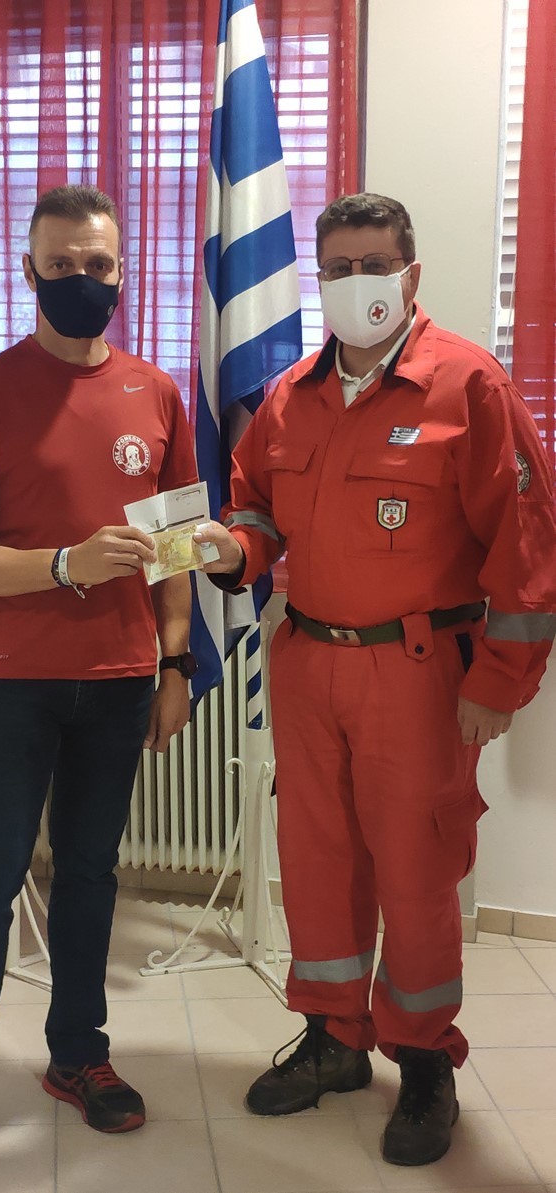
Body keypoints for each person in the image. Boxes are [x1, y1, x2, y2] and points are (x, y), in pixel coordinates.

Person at [195, 193, 556, 1167]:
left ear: (409, 273)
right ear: (317, 281)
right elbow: (256, 509)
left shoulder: (468, 386)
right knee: (317, 860)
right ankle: (333, 1037)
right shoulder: (289, 395)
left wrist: (498, 682)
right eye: (337, 267)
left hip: (418, 672)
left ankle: (423, 1058)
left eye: (373, 264)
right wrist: (232, 547)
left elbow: (525, 553)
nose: (355, 282)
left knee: (415, 870)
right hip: (308, 661)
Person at [0, 184, 199, 1192]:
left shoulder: (157, 393)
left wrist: (175, 664)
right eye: (62, 263)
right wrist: (66, 564)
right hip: (13, 685)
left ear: (123, 271)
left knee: (89, 877)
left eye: (98, 264)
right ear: (29, 269)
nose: (82, 278)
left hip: (119, 683)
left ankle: (76, 1053)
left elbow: (174, 551)